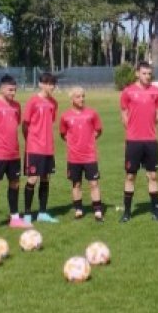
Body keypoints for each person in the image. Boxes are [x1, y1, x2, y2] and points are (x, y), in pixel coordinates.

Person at [0, 75, 31, 232]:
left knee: (15, 183)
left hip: (14, 154)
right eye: (10, 90)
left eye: (15, 90)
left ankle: (14, 217)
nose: (13, 93)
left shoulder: (16, 106)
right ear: (1, 89)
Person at [120, 61, 158, 222]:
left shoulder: (157, 92)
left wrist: (149, 128)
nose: (147, 76)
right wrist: (132, 129)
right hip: (133, 141)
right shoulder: (128, 92)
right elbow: (124, 114)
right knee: (130, 176)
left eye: (149, 73)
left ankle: (156, 211)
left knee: (152, 175)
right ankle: (126, 212)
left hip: (151, 140)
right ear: (137, 73)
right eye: (144, 73)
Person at [59, 87, 104, 221]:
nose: (82, 99)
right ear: (72, 99)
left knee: (94, 183)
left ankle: (97, 210)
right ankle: (78, 209)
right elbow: (63, 133)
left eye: (83, 96)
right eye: (78, 97)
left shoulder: (92, 113)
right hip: (74, 157)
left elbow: (98, 130)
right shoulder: (65, 116)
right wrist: (73, 143)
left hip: (90, 156)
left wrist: (89, 140)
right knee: (76, 184)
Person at [22, 72, 59, 223]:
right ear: (41, 84)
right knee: (32, 178)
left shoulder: (53, 103)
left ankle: (42, 213)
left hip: (48, 148)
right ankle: (27, 214)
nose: (51, 87)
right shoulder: (33, 102)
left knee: (45, 178)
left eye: (53, 84)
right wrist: (31, 141)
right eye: (48, 83)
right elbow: (25, 125)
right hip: (34, 147)